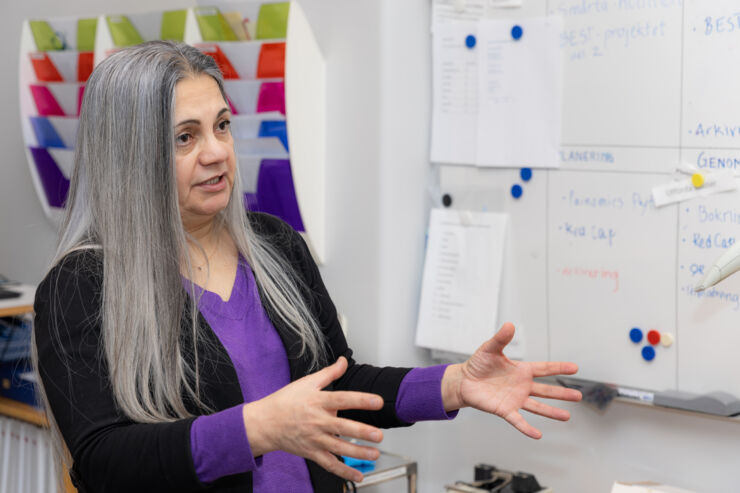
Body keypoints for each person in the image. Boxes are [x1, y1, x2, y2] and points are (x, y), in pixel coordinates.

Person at [32, 41, 581, 493]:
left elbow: (344, 385)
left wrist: (456, 384)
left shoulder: (275, 246)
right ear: (130, 156)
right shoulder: (81, 285)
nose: (217, 152)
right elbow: (103, 462)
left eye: (221, 126)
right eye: (185, 137)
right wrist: (258, 427)